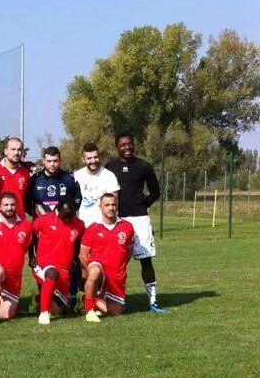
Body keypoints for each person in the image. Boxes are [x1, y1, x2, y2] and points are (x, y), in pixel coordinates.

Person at [104, 133, 166, 313]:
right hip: (118, 219)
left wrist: (142, 205)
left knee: (146, 260)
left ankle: (153, 301)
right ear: (117, 147)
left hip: (140, 219)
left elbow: (155, 190)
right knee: (117, 262)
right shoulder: (111, 166)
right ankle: (118, 299)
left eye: (129, 144)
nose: (127, 147)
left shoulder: (144, 166)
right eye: (123, 145)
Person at [79, 192, 135, 322]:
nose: (111, 208)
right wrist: (90, 275)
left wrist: (120, 266)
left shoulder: (127, 227)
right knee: (95, 271)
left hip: (116, 274)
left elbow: (129, 252)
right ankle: (89, 310)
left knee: (116, 312)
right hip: (98, 268)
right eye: (107, 205)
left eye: (113, 205)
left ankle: (86, 297)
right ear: (100, 207)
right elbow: (83, 255)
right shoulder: (92, 228)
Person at [31, 199, 85, 325]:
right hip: (43, 266)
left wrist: (75, 260)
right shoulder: (43, 220)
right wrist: (32, 255)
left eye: (71, 216)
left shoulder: (79, 224)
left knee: (59, 309)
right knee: (52, 273)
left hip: (64, 270)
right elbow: (31, 235)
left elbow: (78, 243)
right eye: (65, 216)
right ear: (57, 210)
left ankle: (38, 299)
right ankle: (44, 313)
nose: (68, 220)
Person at [0, 192, 33, 324]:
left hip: (14, 274)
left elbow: (29, 246)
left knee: (7, 315)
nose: (9, 208)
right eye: (6, 205)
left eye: (12, 204)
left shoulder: (26, 225)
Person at [74, 141, 121, 226]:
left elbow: (114, 204)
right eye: (89, 158)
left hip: (104, 226)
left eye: (95, 157)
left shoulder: (109, 176)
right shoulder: (77, 176)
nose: (93, 161)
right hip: (83, 226)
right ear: (83, 160)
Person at [27, 146, 82, 216]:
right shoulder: (34, 180)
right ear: (43, 161)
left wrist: (68, 212)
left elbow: (77, 199)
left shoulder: (68, 179)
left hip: (63, 224)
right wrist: (36, 214)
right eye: (49, 161)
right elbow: (27, 203)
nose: (52, 164)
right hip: (41, 224)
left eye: (55, 161)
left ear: (60, 160)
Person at [0, 137, 30, 218]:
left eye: (19, 149)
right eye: (13, 149)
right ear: (5, 151)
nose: (16, 152)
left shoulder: (25, 173)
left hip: (19, 222)